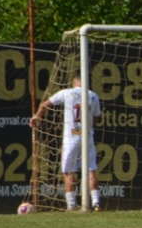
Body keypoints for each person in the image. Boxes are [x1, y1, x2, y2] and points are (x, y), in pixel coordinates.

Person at [30, 73, 102, 211]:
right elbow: (96, 119)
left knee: (69, 171)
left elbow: (45, 104)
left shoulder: (67, 93)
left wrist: (36, 117)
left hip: (71, 138)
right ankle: (96, 203)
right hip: (87, 136)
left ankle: (71, 205)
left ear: (74, 82)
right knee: (91, 169)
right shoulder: (93, 96)